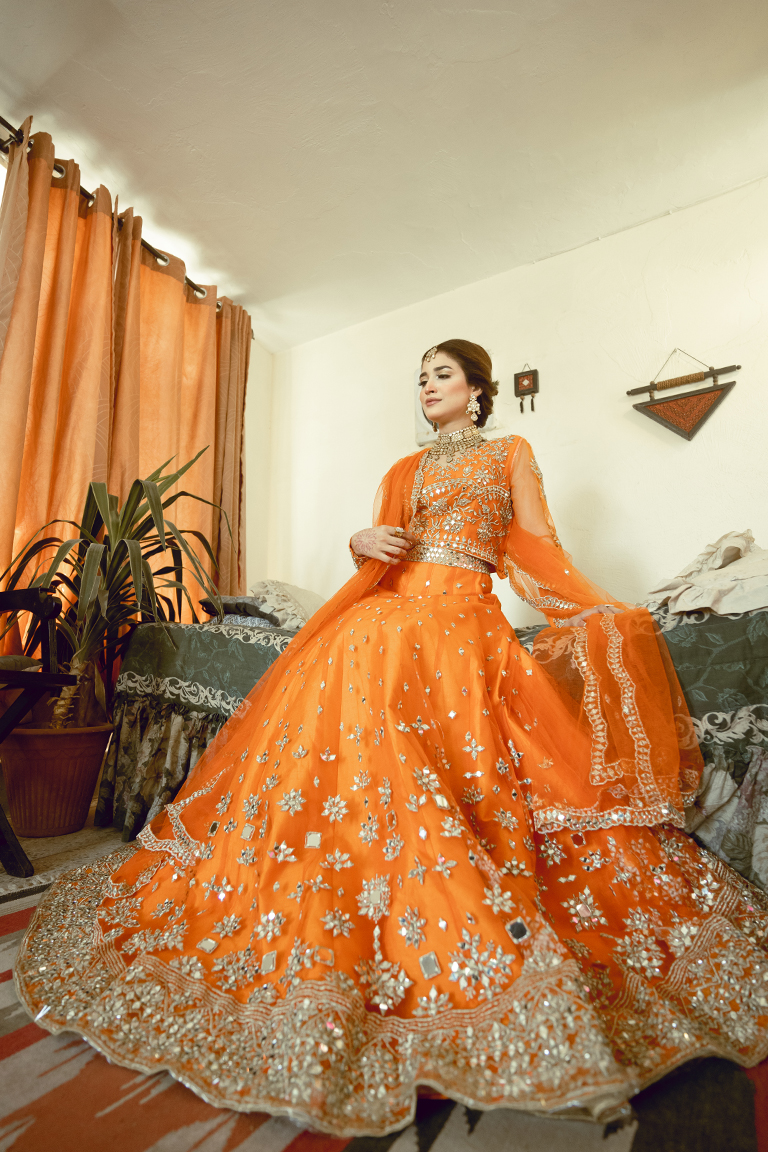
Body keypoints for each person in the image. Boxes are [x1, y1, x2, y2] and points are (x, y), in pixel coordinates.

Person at [16, 339, 768, 1137]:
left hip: (464, 618)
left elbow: (537, 549)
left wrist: (598, 610)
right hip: (387, 616)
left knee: (443, 700)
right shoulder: (403, 469)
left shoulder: (510, 452)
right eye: (421, 377)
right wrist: (360, 543)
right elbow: (384, 548)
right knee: (357, 675)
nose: (427, 386)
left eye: (443, 374)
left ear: (478, 390)